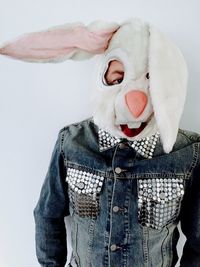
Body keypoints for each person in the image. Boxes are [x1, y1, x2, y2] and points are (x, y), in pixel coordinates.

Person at [1, 17, 200, 267]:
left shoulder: (188, 153)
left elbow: (198, 237)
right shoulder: (71, 143)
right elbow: (47, 215)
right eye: (117, 79)